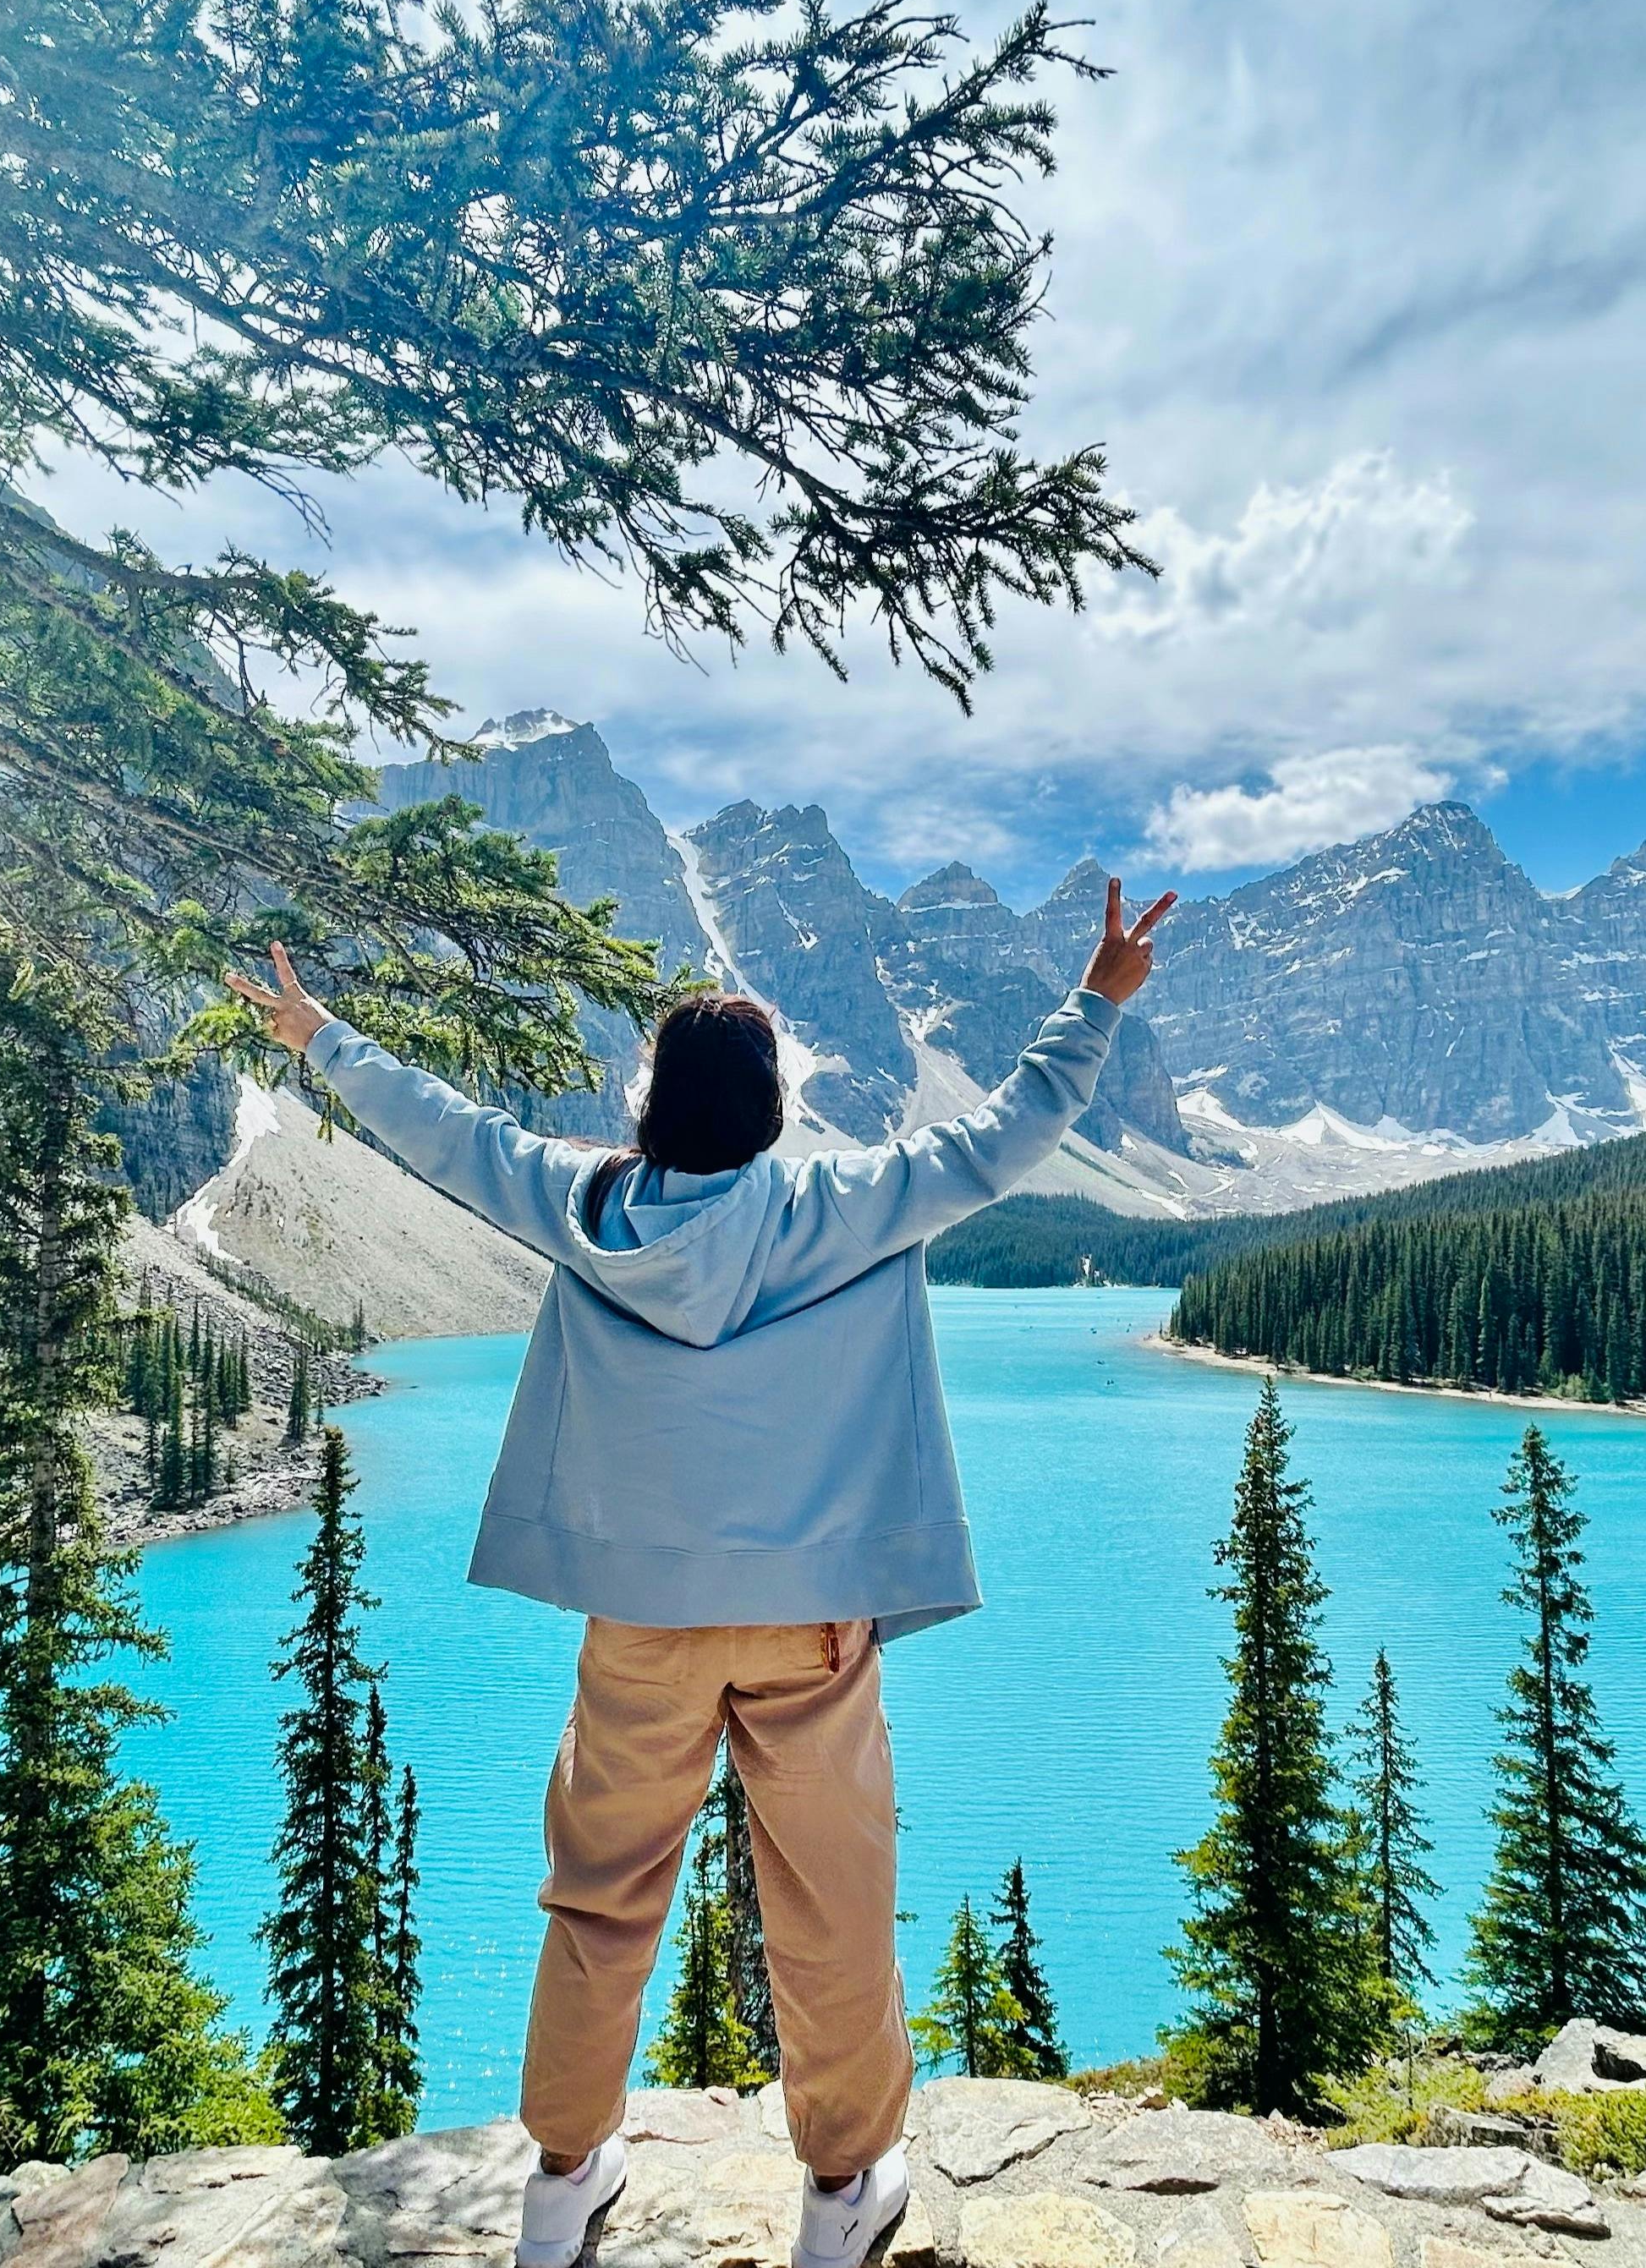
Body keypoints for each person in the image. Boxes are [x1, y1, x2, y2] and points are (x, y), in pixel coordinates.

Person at [228, 875, 1172, 2268]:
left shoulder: (586, 1204)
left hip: (642, 1626)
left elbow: (449, 1135)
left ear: (655, 1104)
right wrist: (1096, 999)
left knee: (601, 1894)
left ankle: (563, 2179)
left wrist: (321, 1036)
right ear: (773, 1108)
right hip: (808, 1627)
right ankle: (844, 2191)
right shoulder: (847, 1205)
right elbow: (1007, 1132)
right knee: (830, 1905)